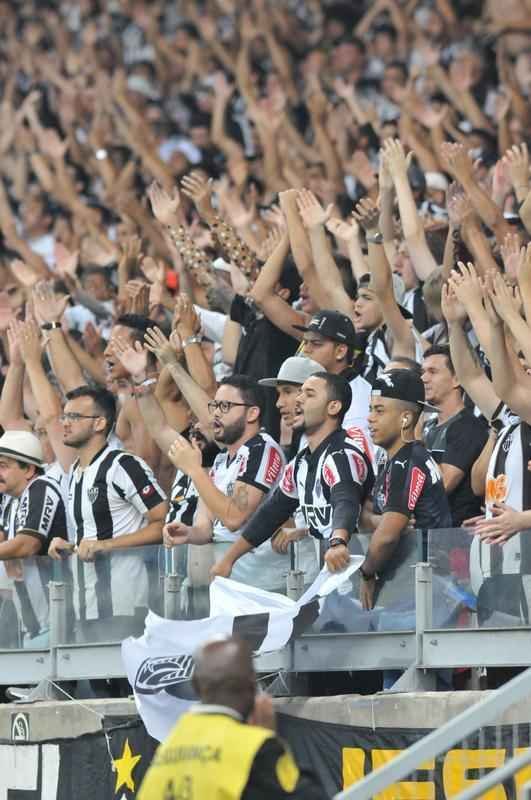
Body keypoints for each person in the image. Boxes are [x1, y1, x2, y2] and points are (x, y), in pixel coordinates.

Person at [210, 372, 374, 581]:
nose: (298, 399)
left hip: (360, 574)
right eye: (300, 393)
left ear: (333, 407)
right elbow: (270, 515)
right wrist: (228, 560)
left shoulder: (342, 455)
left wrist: (338, 541)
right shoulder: (300, 463)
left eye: (309, 394)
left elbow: (346, 501)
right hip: (333, 578)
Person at [137, 637, 326, 800]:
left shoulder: (168, 748)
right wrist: (269, 739)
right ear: (252, 684)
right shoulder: (254, 747)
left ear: (195, 684)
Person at [49, 386, 167, 642]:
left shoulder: (123, 465)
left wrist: (107, 545)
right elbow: (90, 538)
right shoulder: (76, 473)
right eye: (64, 416)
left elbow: (162, 522)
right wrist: (66, 545)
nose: (65, 424)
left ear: (100, 423)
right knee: (97, 681)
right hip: (86, 603)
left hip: (125, 602)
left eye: (74, 417)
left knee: (124, 680)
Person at [163, 375, 290, 592]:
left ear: (252, 413)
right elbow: (206, 527)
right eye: (214, 406)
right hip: (228, 582)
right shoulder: (221, 460)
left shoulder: (262, 450)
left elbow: (234, 518)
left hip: (264, 585)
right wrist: (188, 533)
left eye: (225, 406)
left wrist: (195, 470)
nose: (216, 413)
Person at [360, 369, 452, 610]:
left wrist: (366, 574)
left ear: (406, 418)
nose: (370, 418)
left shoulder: (408, 461)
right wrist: (378, 520)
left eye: (379, 410)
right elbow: (365, 515)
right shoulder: (387, 459)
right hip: (408, 583)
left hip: (423, 588)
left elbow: (387, 537)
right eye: (370, 409)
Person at [0, 431, 68, 647]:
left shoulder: (41, 488)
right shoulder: (11, 501)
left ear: (28, 469)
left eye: (3, 465)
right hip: (30, 627)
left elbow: (27, 545)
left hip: (55, 622)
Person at [422, 346, 489, 526]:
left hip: (454, 538)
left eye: (432, 372)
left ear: (456, 379)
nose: (423, 378)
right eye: (423, 372)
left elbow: (441, 485)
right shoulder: (426, 426)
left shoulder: (468, 426)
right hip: (426, 534)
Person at [294, 309, 373, 439]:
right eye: (305, 342)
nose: (306, 350)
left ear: (340, 351)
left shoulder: (360, 397)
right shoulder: (309, 389)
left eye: (316, 343)